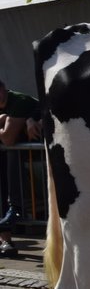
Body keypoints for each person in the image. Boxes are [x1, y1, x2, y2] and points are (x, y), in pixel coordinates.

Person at [0, 79, 42, 257]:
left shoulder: (18, 101)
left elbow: (9, 139)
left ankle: (14, 214)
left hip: (40, 155)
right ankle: (5, 239)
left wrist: (5, 121)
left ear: (3, 89)